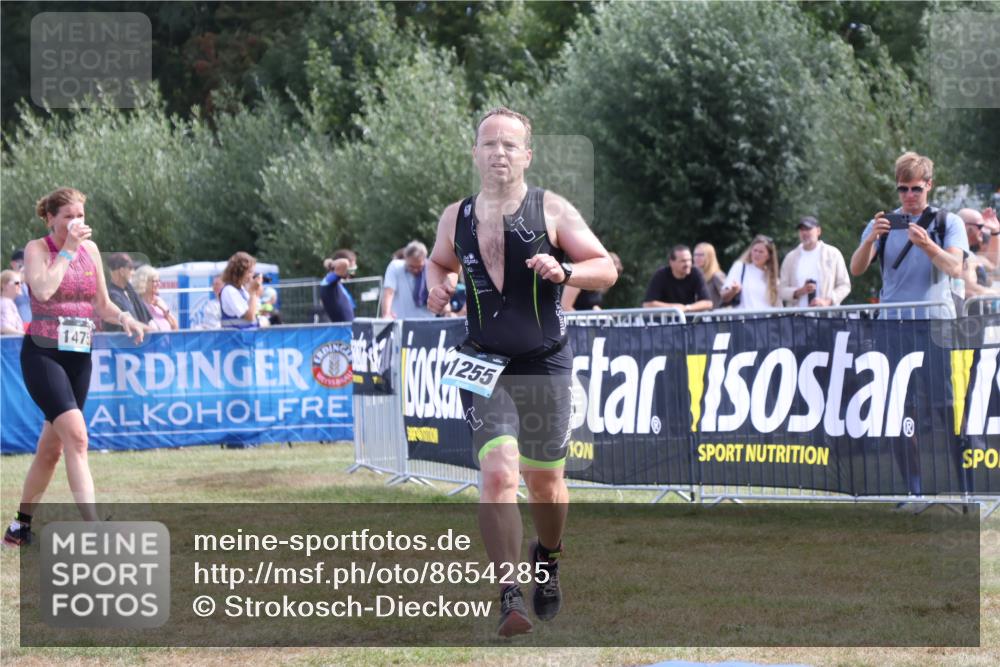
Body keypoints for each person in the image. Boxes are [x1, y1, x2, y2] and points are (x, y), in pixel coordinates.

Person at [425, 107, 618, 636]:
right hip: (480, 359)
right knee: (497, 476)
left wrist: (567, 270)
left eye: (511, 145)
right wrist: (437, 285)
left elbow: (607, 266)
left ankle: (548, 556)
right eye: (490, 144)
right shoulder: (455, 217)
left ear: (527, 155)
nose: (500, 153)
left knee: (546, 486)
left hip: (542, 363)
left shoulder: (551, 209)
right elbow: (439, 263)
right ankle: (509, 594)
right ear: (475, 153)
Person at [4, 188, 144, 547]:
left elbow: (102, 303)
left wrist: (126, 317)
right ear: (50, 218)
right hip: (43, 353)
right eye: (67, 216)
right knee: (78, 438)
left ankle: (19, 527)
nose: (76, 223)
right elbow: (45, 290)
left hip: (79, 355)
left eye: (80, 216)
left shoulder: (92, 251)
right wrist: (66, 250)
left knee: (52, 450)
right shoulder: (38, 249)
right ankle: (94, 530)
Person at [849, 151, 968, 319]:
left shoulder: (948, 221)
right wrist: (869, 241)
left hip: (935, 323)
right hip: (891, 320)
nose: (909, 195)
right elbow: (856, 269)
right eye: (903, 189)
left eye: (916, 189)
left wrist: (927, 245)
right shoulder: (882, 224)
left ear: (929, 185)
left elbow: (955, 269)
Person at [778, 216, 852, 308]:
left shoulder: (833, 254)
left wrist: (827, 302)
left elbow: (844, 285)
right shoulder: (790, 258)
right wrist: (799, 291)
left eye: (808, 229)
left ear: (818, 231)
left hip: (826, 316)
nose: (804, 232)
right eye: (801, 229)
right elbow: (781, 290)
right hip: (797, 317)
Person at [642, 245, 712, 313]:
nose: (687, 264)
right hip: (665, 321)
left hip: (689, 320)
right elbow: (648, 304)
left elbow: (708, 303)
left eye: (689, 260)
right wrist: (674, 308)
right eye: (683, 261)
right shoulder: (661, 275)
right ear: (671, 262)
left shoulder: (695, 273)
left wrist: (687, 308)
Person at [721, 235, 781, 310]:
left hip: (766, 319)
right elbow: (724, 297)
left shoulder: (772, 277)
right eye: (755, 250)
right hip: (745, 319)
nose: (757, 254)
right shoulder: (740, 267)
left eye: (761, 252)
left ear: (768, 256)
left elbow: (778, 305)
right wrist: (733, 291)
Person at [381, 241, 434, 319]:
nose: (415, 270)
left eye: (419, 267)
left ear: (424, 259)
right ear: (405, 258)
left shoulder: (431, 269)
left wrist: (447, 312)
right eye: (411, 266)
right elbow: (389, 292)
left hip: (427, 321)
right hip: (401, 322)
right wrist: (386, 314)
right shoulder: (395, 267)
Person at [104, 252, 152, 332]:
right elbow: (131, 324)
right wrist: (155, 331)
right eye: (130, 268)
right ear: (122, 271)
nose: (134, 273)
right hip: (123, 342)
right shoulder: (112, 296)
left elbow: (148, 319)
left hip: (140, 341)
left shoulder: (130, 290)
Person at [219, 251, 264, 329]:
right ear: (239, 272)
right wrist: (253, 292)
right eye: (250, 272)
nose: (252, 276)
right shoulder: (229, 291)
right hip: (236, 339)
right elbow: (250, 317)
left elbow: (256, 312)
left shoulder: (241, 289)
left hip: (246, 339)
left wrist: (256, 293)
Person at [132, 265, 178, 332]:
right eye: (155, 281)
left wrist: (165, 311)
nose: (159, 284)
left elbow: (175, 328)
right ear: (143, 282)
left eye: (159, 281)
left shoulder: (159, 301)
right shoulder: (136, 304)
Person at [320, 249, 358, 323]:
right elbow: (344, 263)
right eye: (350, 270)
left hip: (347, 330)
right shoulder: (328, 283)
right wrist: (330, 264)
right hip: (342, 331)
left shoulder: (336, 284)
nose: (352, 274)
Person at [693, 243, 726, 309]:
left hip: (715, 316)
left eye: (701, 255)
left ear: (709, 257)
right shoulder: (694, 276)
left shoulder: (717, 275)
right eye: (695, 255)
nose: (697, 257)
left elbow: (727, 298)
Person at [10, 249, 31, 324]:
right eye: (21, 263)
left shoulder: (28, 281)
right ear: (13, 264)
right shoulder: (8, 280)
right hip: (17, 325)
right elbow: (16, 293)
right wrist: (18, 276)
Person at [1, 270, 25, 334]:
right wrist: (26, 336)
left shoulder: (6, 302)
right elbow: (4, 328)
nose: (20, 286)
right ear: (5, 286)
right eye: (17, 283)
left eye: (21, 283)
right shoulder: (6, 303)